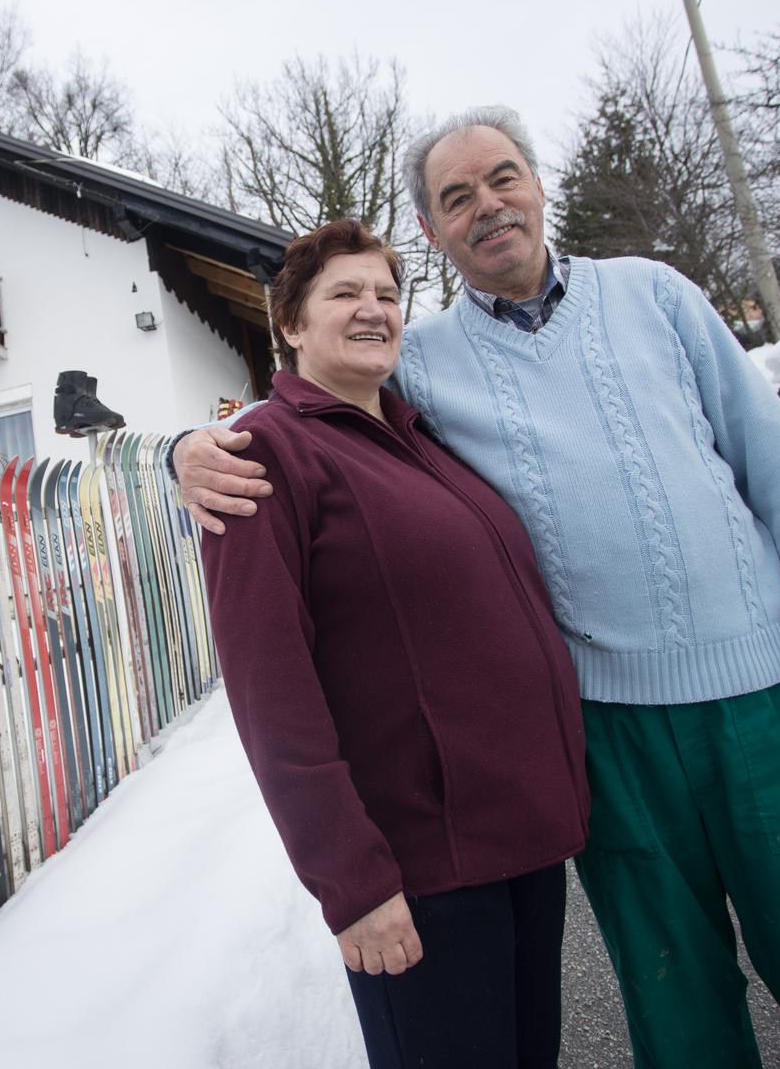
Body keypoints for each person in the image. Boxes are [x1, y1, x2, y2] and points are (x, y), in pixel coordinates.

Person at [177, 107, 780, 1069]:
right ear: (438, 235)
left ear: (537, 185)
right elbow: (314, 432)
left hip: (760, 709)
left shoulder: (655, 295)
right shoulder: (427, 364)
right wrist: (188, 451)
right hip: (609, 736)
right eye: (456, 199)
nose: (487, 206)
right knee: (680, 1007)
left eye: (502, 178)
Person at [201, 217, 589, 1068]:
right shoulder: (270, 451)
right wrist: (352, 883)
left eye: (386, 293)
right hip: (421, 876)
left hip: (517, 846)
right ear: (292, 324)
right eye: (345, 294)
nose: (373, 308)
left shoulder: (423, 438)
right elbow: (270, 690)